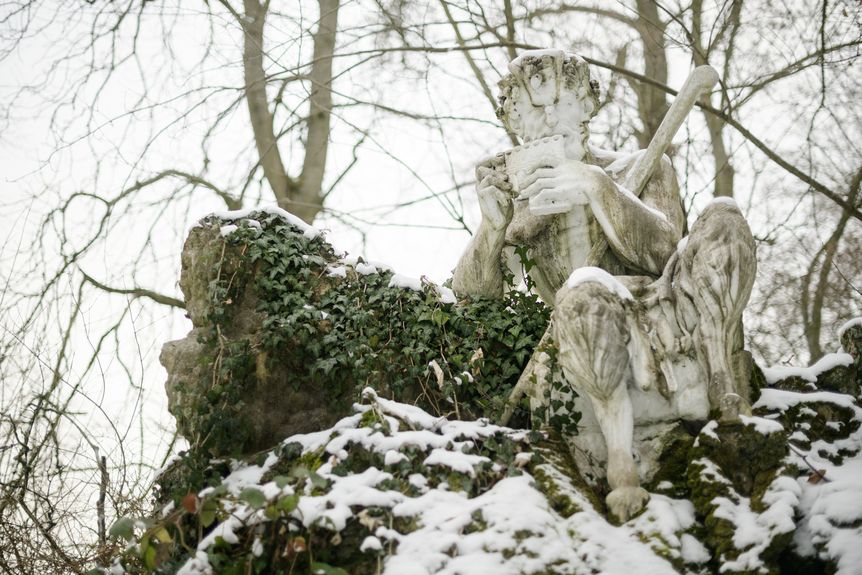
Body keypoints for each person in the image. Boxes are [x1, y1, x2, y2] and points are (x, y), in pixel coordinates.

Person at [452, 49, 756, 521]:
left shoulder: (639, 166)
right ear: (514, 121)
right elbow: (473, 298)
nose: (549, 116)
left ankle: (723, 380)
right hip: (587, 318)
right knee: (582, 293)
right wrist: (492, 231)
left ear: (586, 104)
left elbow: (666, 253)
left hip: (665, 306)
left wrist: (597, 187)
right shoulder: (518, 199)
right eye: (533, 108)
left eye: (561, 101)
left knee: (724, 218)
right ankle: (619, 458)